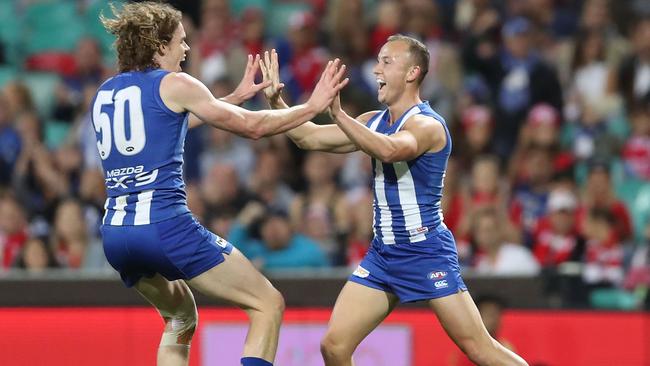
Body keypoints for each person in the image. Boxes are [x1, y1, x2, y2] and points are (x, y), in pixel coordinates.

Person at [94, 3, 348, 366]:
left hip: (116, 236)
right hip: (165, 227)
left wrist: (227, 101)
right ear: (158, 45)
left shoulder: (106, 92)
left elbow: (162, 129)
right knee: (267, 303)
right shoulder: (176, 83)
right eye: (181, 42)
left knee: (180, 317)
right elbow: (254, 128)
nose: (186, 50)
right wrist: (312, 106)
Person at [260, 36, 528, 365]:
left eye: (387, 61)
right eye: (378, 61)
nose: (376, 69)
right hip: (383, 255)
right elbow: (307, 137)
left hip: (425, 252)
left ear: (413, 72)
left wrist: (339, 115)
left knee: (480, 349)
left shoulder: (428, 125)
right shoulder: (373, 121)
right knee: (334, 346)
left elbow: (389, 150)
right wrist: (277, 103)